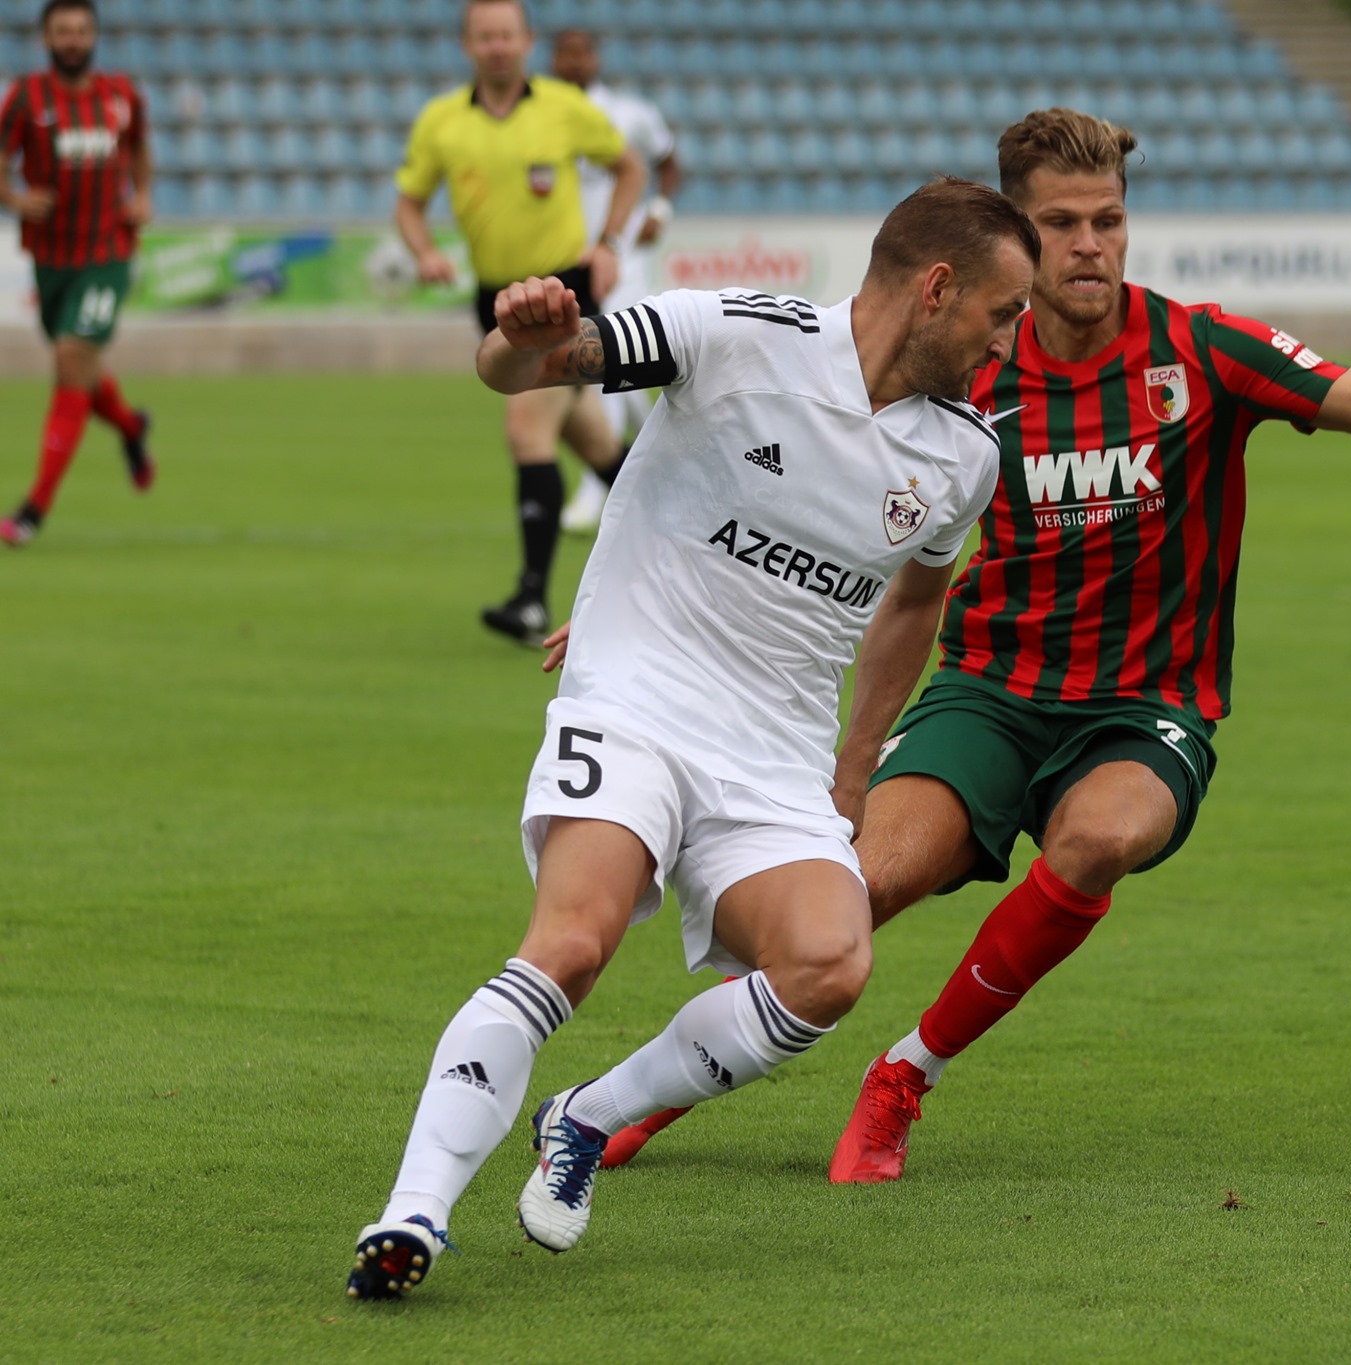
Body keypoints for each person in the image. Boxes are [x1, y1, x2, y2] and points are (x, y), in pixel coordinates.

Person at [598, 108, 1351, 1182]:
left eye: (1107, 220)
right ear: (1013, 241)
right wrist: (663, 599)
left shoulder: (1200, 350)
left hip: (1143, 710)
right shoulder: (966, 367)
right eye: (1061, 224)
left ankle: (903, 1078)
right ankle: (634, 1105)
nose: (1089, 245)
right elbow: (830, 513)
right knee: (847, 900)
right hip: (984, 693)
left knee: (1097, 839)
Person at [345, 177, 1038, 1300]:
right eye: (1002, 313)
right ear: (935, 288)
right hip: (638, 701)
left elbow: (915, 602)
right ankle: (412, 1214)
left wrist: (855, 765)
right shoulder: (728, 332)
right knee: (571, 942)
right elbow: (526, 369)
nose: (1013, 340)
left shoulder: (961, 454)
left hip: (771, 752)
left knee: (829, 964)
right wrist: (516, 338)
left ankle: (584, 1119)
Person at [393, 0, 645, 644]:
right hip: (494, 298)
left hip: (562, 295)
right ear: (467, 45)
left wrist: (610, 242)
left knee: (525, 427)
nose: (498, 46)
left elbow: (630, 167)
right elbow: (410, 202)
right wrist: (423, 252)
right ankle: (695, 526)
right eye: (486, 36)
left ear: (526, 41)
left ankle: (532, 598)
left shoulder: (563, 106)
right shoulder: (442, 122)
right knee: (593, 443)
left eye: (507, 34)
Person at [0, 0, 155, 550]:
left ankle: (33, 509)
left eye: (81, 30)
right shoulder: (25, 98)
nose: (72, 39)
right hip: (51, 258)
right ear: (45, 38)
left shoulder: (120, 95)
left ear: (94, 36)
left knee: (71, 358)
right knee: (79, 365)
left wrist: (143, 197)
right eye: (62, 30)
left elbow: (139, 150)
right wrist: (14, 196)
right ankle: (133, 427)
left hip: (107, 251)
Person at [548, 26, 685, 535]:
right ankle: (655, 465)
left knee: (603, 359)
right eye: (565, 53)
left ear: (595, 58)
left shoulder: (631, 113)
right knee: (622, 377)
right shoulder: (539, 115)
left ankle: (595, 485)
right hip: (563, 258)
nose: (574, 61)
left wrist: (660, 209)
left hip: (620, 258)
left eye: (582, 53)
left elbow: (669, 164)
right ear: (553, 59)